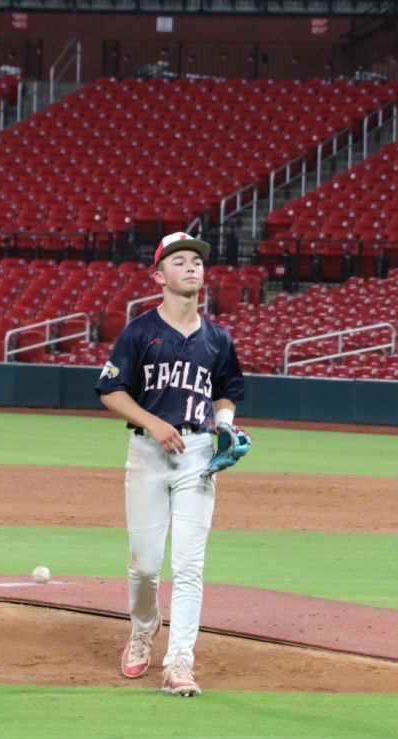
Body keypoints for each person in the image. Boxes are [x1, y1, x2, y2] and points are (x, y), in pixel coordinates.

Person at [95, 232, 249, 698]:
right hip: (146, 452)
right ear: (159, 275)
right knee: (143, 567)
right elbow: (109, 390)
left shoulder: (218, 338)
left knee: (188, 564)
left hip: (198, 457)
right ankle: (144, 628)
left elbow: (229, 390)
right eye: (179, 262)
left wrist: (223, 423)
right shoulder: (140, 331)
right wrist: (153, 423)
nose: (191, 268)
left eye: (196, 263)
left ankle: (180, 661)